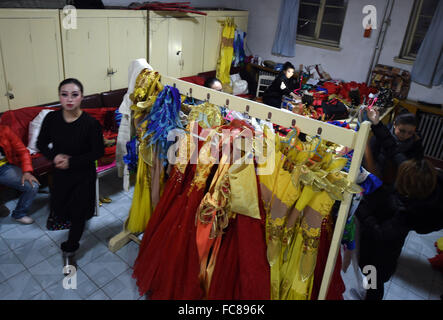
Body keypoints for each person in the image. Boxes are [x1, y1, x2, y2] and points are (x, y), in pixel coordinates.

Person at [37, 78, 104, 272]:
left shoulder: (90, 124)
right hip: (61, 175)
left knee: (78, 214)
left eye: (74, 95)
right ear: (59, 97)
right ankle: (74, 225)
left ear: (82, 97)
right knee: (60, 208)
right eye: (64, 94)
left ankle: (70, 249)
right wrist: (54, 156)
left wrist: (72, 161)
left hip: (83, 176)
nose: (69, 99)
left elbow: (97, 152)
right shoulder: (52, 119)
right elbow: (41, 143)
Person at [356, 156, 443, 300]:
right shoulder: (428, 191)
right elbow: (395, 153)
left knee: (372, 281)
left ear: (405, 186)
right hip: (385, 252)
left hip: (379, 258)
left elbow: (380, 233)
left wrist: (361, 210)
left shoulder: (406, 214)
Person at [368, 108, 423, 183]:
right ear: (394, 125)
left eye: (410, 133)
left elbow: (416, 162)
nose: (405, 136)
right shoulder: (379, 136)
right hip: (378, 174)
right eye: (402, 131)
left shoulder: (416, 141)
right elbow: (370, 158)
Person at [0, 125, 40, 223]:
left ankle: (19, 214)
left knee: (32, 186)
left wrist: (27, 171)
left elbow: (23, 151)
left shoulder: (5, 130)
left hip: (4, 168)